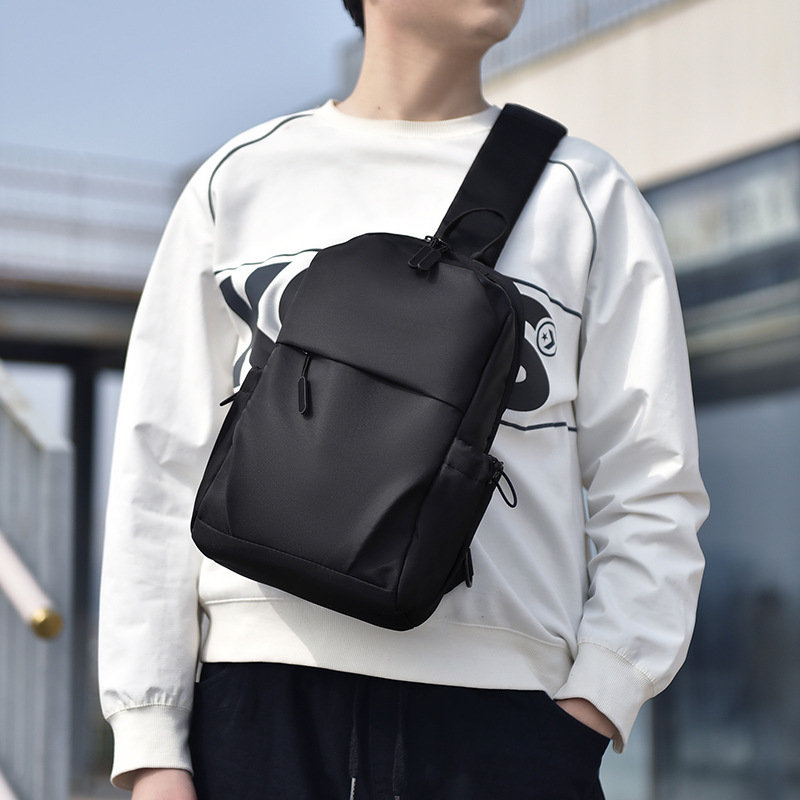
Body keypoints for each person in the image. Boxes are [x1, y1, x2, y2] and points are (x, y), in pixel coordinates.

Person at [98, 0, 709, 798]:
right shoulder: (242, 178)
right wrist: (151, 743)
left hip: (504, 720)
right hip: (257, 703)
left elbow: (652, 481)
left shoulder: (587, 195)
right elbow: (160, 463)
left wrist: (596, 701)